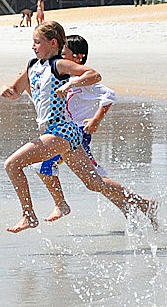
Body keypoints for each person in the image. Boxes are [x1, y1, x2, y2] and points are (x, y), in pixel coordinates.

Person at [0, 21, 155, 233]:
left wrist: (72, 83)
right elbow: (15, 91)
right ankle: (144, 204)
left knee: (12, 165)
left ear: (52, 43)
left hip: (61, 131)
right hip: (59, 134)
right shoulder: (32, 66)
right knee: (94, 183)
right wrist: (6, 90)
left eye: (37, 42)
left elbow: (94, 75)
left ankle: (29, 216)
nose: (33, 46)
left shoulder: (59, 65)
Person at [35, 34, 136, 223]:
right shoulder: (64, 77)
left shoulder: (83, 80)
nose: (61, 59)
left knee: (44, 164)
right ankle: (131, 205)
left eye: (64, 54)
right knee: (95, 181)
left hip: (78, 134)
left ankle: (61, 204)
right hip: (66, 133)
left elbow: (109, 95)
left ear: (78, 58)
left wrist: (96, 119)